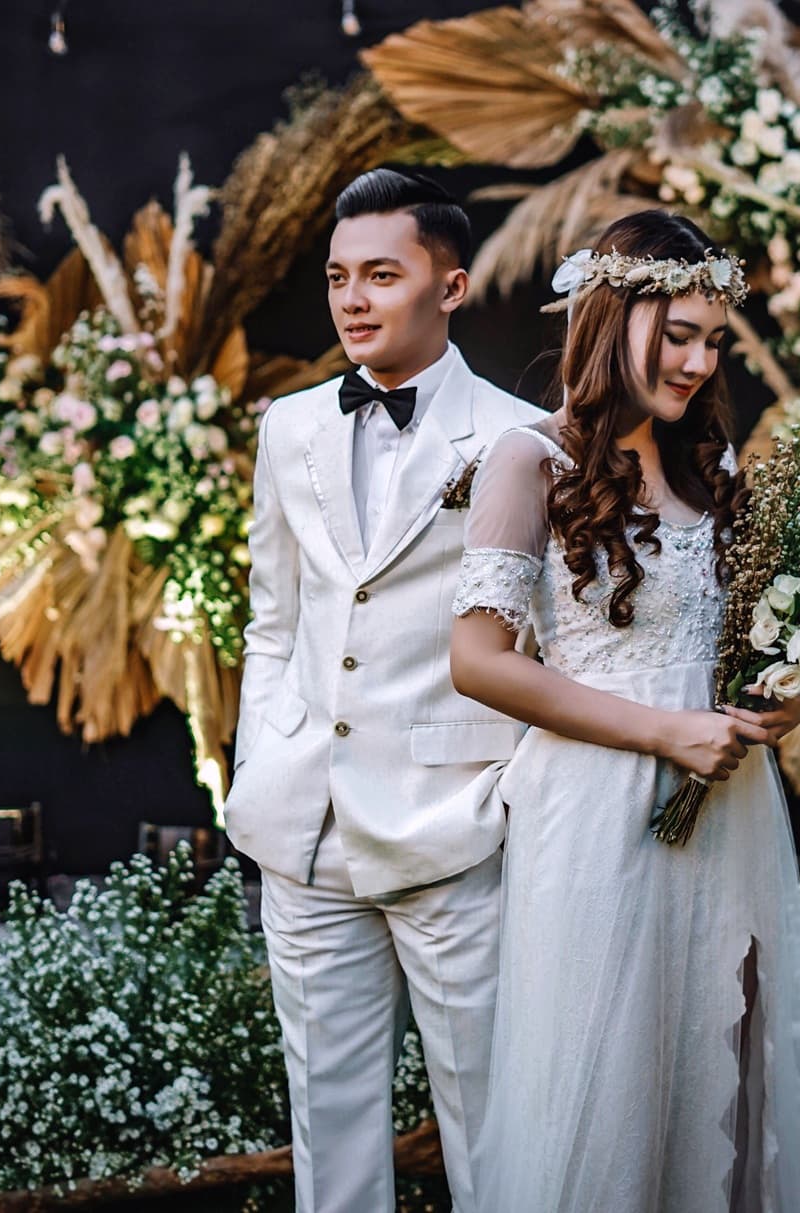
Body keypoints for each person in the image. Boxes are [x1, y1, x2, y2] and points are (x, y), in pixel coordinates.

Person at [450, 210, 800, 1212]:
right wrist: (660, 731)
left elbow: (730, 649)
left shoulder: (712, 474)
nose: (694, 359)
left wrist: (781, 697)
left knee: (717, 1069)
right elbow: (476, 661)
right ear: (607, 318)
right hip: (594, 812)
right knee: (601, 1076)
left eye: (710, 340)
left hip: (726, 813)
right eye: (674, 332)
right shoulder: (527, 460)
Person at [223, 168, 543, 1213]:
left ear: (448, 287)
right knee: (329, 1120)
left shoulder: (521, 437)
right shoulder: (289, 427)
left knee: (494, 1121)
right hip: (302, 827)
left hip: (452, 825)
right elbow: (273, 618)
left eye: (381, 275)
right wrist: (258, 763)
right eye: (336, 277)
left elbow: (546, 641)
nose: (352, 299)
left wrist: (505, 797)